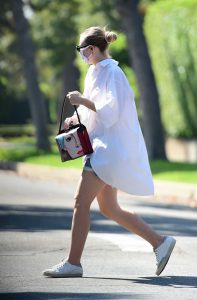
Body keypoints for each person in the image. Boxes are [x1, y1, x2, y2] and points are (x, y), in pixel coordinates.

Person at [43, 26, 176, 278]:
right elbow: (96, 111)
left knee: (80, 203)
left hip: (108, 150)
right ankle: (160, 242)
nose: (80, 54)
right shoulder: (95, 72)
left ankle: (73, 262)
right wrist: (75, 117)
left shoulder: (113, 72)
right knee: (109, 208)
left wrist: (81, 101)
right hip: (102, 148)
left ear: (91, 49)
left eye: (81, 49)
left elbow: (110, 112)